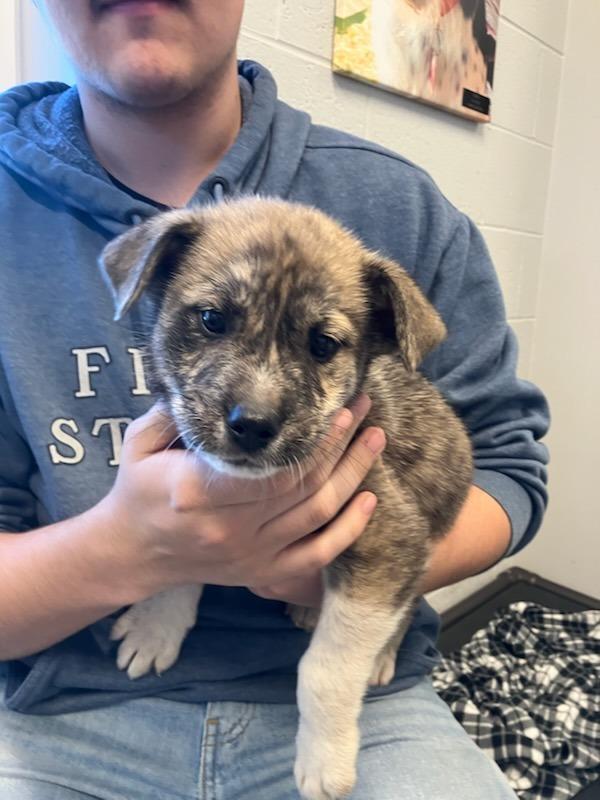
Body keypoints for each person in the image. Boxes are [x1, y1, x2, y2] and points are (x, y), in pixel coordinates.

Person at [0, 1, 548, 797]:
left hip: (363, 688)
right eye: (212, 322)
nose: (254, 403)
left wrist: (335, 583)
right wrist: (139, 551)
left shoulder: (401, 206)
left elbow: (505, 467)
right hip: (67, 707)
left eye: (321, 345)